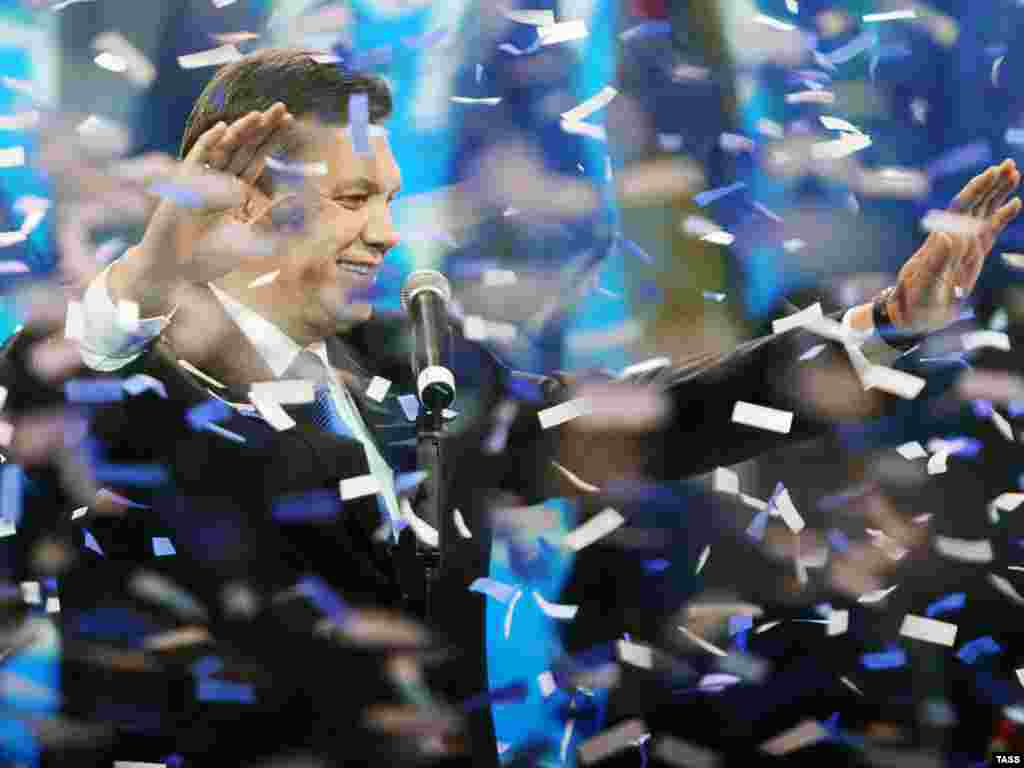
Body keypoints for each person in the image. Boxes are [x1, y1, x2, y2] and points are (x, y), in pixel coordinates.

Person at [36, 46, 1022, 765]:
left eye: (387, 197)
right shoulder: (138, 386)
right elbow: (73, 384)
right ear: (241, 201)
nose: (385, 232)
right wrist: (151, 271)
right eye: (350, 201)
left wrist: (887, 324)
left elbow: (665, 414)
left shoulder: (418, 367)